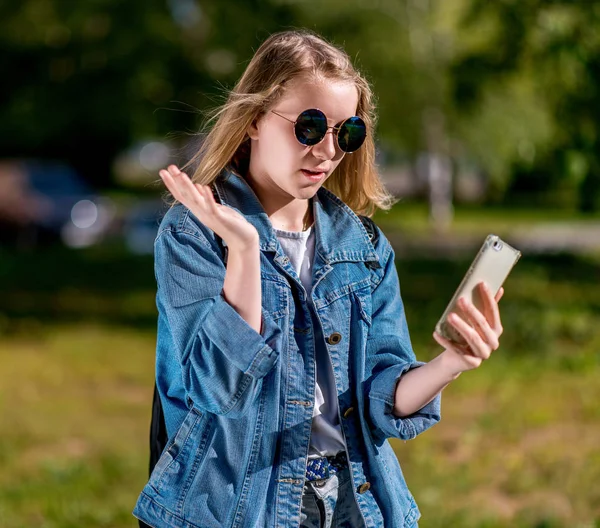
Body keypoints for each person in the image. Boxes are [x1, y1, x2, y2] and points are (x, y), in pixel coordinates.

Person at [133, 29, 505, 528]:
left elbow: (380, 400)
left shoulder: (365, 248)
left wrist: (451, 363)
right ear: (255, 120)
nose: (328, 150)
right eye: (310, 126)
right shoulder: (194, 232)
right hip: (235, 509)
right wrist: (244, 250)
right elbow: (215, 389)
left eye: (347, 132)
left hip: (354, 502)